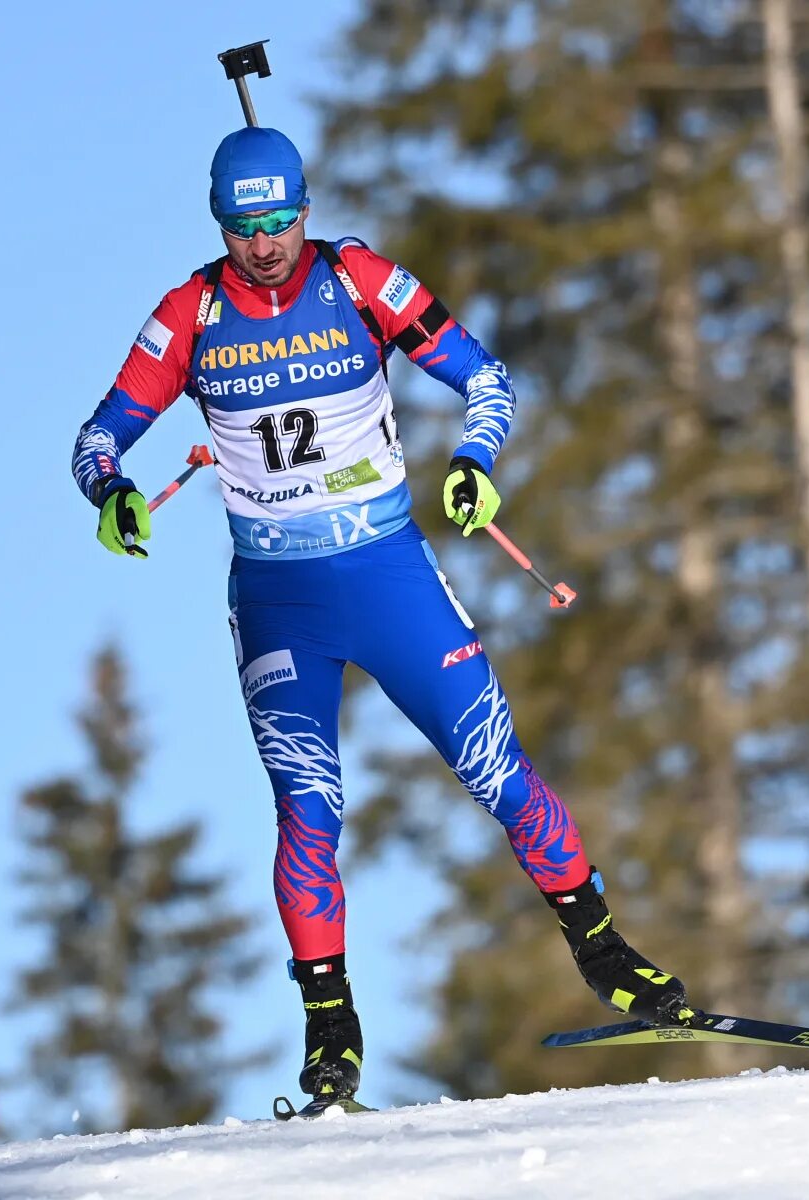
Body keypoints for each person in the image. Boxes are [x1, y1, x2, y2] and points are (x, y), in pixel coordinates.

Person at [71, 126, 688, 1110]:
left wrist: (476, 463)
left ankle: (605, 948)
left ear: (306, 211)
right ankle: (330, 1028)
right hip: (280, 600)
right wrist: (112, 490)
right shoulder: (189, 313)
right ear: (219, 226)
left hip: (389, 572)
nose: (265, 244)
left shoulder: (359, 280)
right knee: (308, 809)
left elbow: (485, 378)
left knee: (494, 767)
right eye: (245, 228)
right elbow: (100, 433)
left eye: (280, 222)